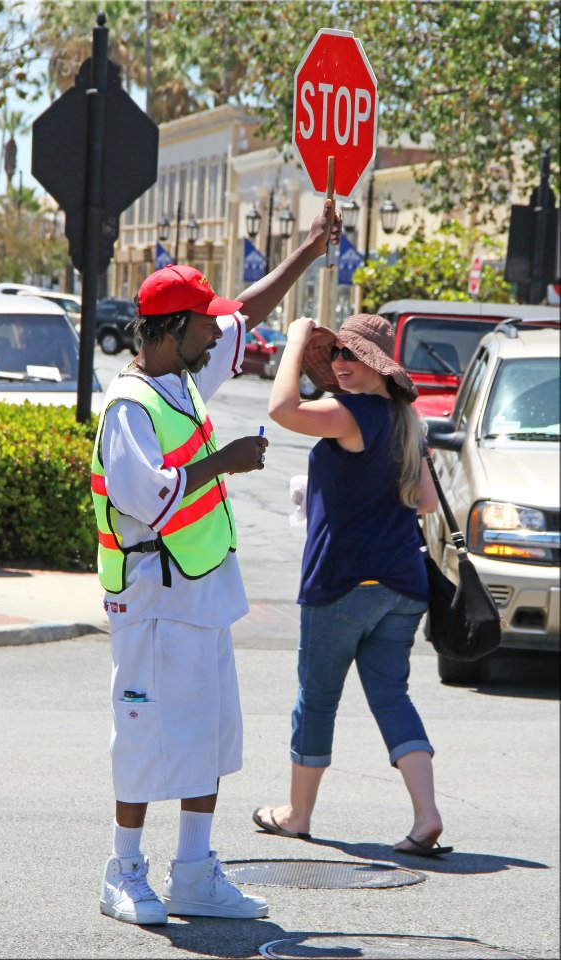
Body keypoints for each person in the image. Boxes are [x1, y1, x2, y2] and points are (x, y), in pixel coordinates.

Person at [92, 202, 341, 926]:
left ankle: (195, 873)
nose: (219, 327)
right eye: (203, 322)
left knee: (207, 734)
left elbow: (248, 308)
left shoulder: (184, 377)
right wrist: (224, 462)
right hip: (149, 596)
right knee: (143, 733)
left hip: (200, 594)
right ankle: (125, 870)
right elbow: (150, 499)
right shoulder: (129, 405)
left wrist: (308, 252)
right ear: (172, 330)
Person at [253, 313, 454, 858]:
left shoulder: (351, 412)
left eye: (352, 357)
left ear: (378, 369)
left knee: (316, 700)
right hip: (403, 584)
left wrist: (296, 340)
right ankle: (426, 815)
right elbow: (429, 503)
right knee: (391, 696)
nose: (340, 365)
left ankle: (297, 816)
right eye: (335, 355)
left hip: (343, 581)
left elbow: (281, 410)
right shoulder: (405, 419)